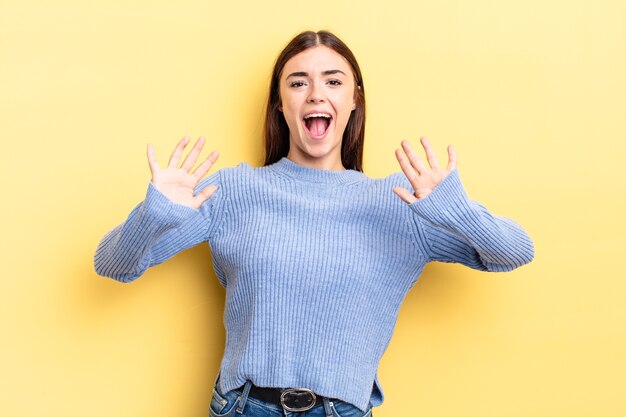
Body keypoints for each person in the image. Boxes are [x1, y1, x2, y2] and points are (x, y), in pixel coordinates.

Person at [94, 30, 534, 417]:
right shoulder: (232, 192)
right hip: (244, 408)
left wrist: (456, 212)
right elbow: (112, 263)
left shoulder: (402, 201)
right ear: (280, 104)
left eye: (333, 81)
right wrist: (154, 214)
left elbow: (515, 251)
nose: (316, 94)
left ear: (354, 99)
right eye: (298, 82)